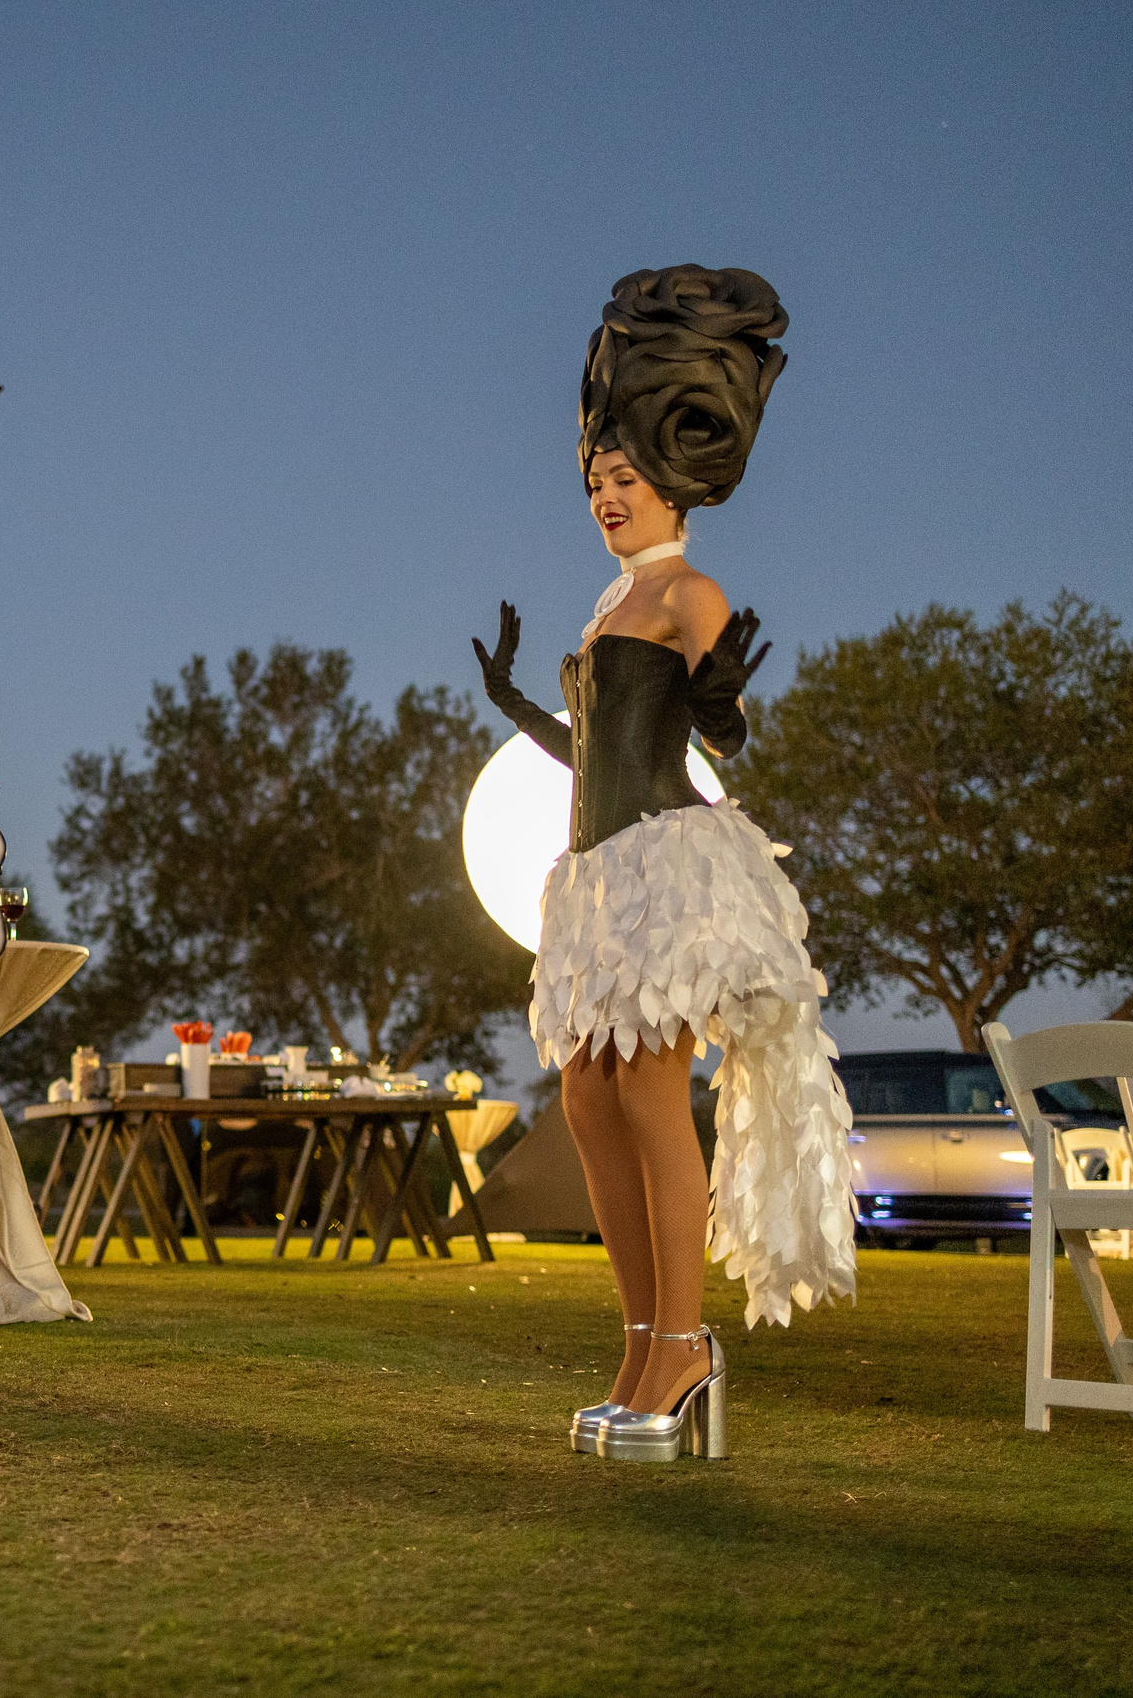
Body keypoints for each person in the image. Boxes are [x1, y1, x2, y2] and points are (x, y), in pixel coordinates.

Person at [471, 266, 855, 1462]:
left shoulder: (690, 588)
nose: (605, 497)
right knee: (586, 1098)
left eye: (623, 479)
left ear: (671, 482)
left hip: (666, 869)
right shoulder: (605, 603)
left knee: (645, 1092)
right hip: (593, 874)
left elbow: (712, 726)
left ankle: (684, 1345)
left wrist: (726, 696)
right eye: (593, 482)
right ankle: (641, 1341)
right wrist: (516, 705)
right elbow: (595, 743)